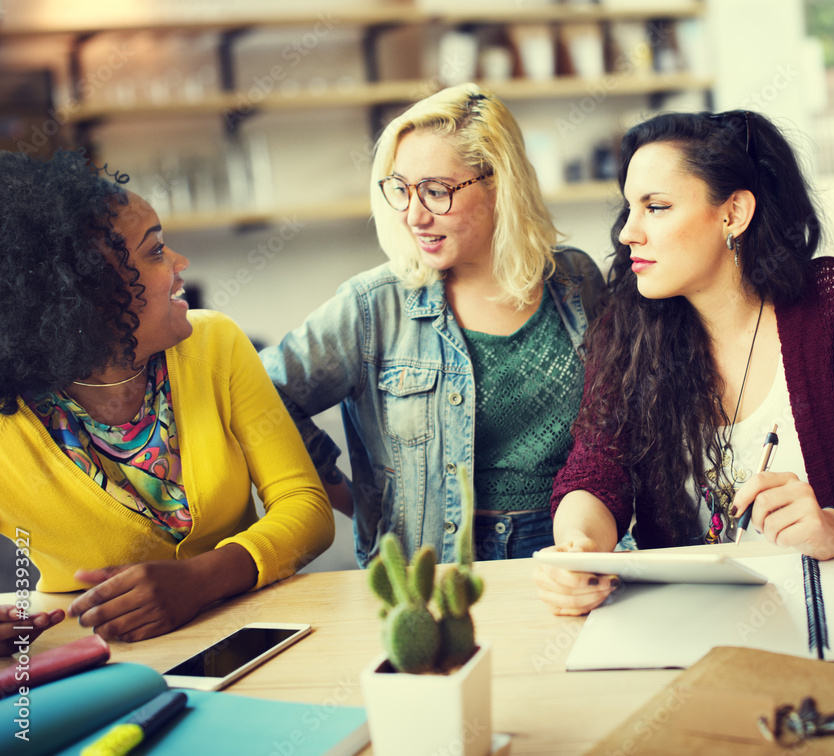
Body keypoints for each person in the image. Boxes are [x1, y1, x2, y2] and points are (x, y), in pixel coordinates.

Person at [535, 110, 834, 615]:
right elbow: (595, 472)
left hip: (832, 608)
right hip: (688, 619)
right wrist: (578, 547)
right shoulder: (629, 327)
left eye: (657, 207)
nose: (628, 232)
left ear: (733, 213)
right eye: (629, 208)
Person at [0, 150, 334, 654]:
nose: (181, 264)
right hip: (96, 656)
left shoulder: (215, 343)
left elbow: (305, 506)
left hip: (250, 632)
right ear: (84, 293)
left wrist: (203, 579)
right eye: (155, 252)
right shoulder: (9, 417)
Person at [262, 84, 604, 566]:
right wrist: (354, 498)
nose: (413, 215)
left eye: (436, 192)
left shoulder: (575, 281)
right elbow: (263, 392)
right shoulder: (372, 306)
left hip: (570, 551)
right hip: (437, 570)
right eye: (401, 189)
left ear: (500, 184)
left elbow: (618, 426)